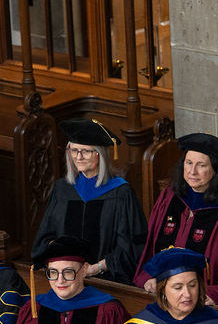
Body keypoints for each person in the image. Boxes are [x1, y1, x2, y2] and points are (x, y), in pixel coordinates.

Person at [133, 133, 218, 306]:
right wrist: (150, 276)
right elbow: (151, 245)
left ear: (215, 171)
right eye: (188, 163)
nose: (192, 171)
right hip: (160, 292)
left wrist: (214, 294)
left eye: (201, 165)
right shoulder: (170, 197)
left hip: (205, 300)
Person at [31, 119, 147, 284]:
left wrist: (95, 268)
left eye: (85, 151)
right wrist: (62, 264)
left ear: (100, 154)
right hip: (63, 280)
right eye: (74, 150)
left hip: (105, 281)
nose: (78, 157)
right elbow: (45, 237)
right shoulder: (62, 189)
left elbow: (130, 246)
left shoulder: (121, 193)